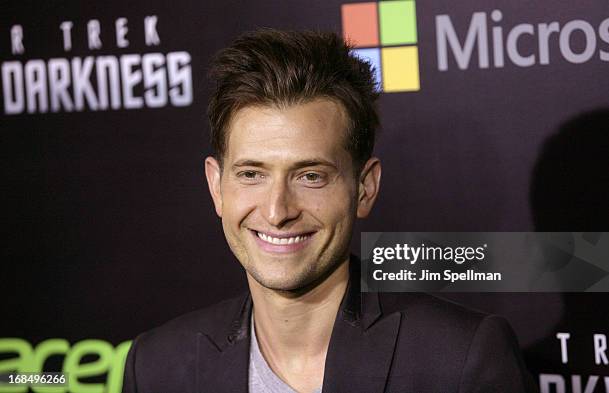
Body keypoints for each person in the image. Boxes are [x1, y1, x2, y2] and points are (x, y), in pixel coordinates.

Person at [121, 29, 536, 393]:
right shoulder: (155, 365)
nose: (277, 210)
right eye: (251, 174)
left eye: (310, 176)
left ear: (365, 187)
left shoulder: (459, 360)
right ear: (216, 186)